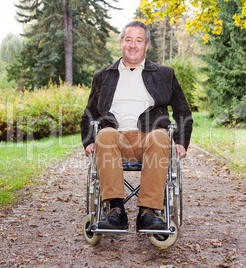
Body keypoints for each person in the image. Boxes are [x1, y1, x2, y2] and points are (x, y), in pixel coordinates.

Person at [80, 21, 193, 231]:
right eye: (129, 40)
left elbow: (183, 112)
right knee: (104, 135)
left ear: (147, 45)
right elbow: (89, 114)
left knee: (160, 137)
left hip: (149, 138)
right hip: (114, 141)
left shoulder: (164, 74)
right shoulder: (102, 76)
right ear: (121, 42)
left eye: (139, 40)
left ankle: (147, 212)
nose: (133, 45)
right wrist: (88, 141)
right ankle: (116, 211)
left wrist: (181, 142)